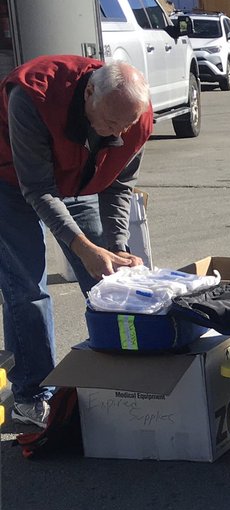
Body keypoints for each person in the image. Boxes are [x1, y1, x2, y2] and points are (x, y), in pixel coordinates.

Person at [0, 56, 153, 428]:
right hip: (9, 179)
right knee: (28, 289)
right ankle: (32, 393)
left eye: (127, 123)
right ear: (88, 93)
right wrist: (83, 247)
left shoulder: (134, 119)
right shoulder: (32, 97)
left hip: (78, 177)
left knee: (110, 280)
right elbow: (37, 188)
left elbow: (118, 181)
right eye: (111, 122)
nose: (118, 132)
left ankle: (120, 380)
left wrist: (116, 245)